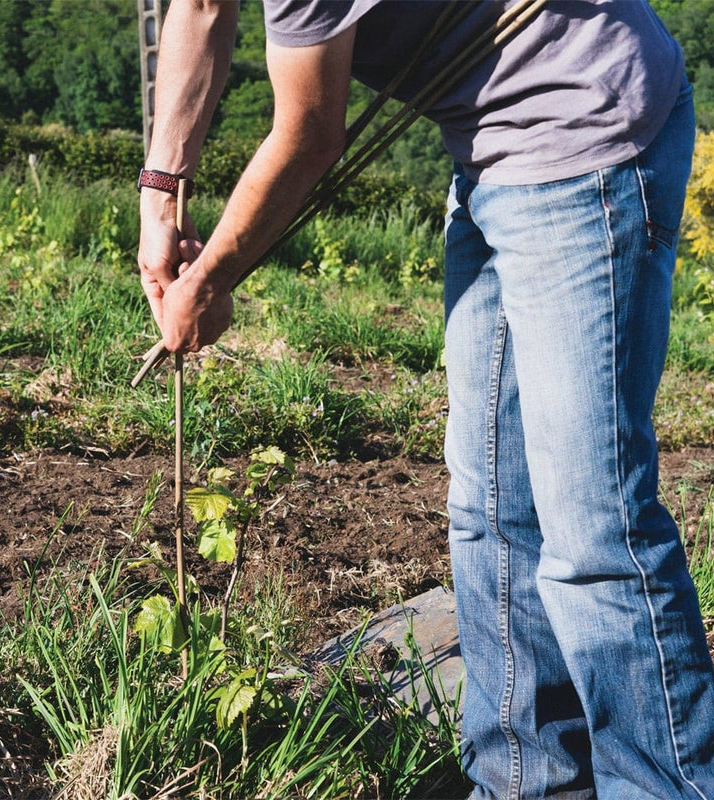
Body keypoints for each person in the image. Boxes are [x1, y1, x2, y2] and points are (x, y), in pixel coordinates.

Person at [137, 1, 714, 797]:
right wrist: (160, 196)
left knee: (592, 524)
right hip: (488, 154)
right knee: (490, 506)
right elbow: (199, 7)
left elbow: (310, 135)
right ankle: (525, 780)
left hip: (582, 135)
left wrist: (209, 281)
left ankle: (661, 786)